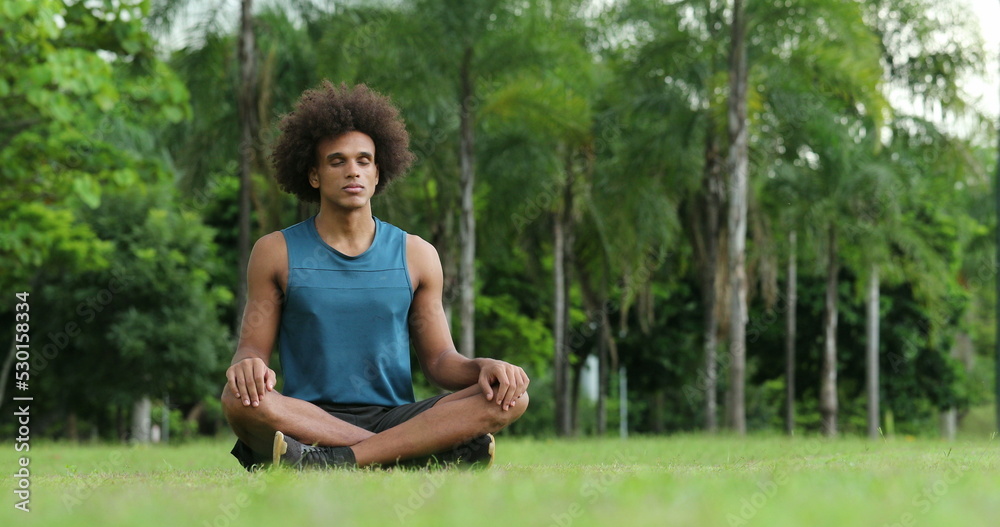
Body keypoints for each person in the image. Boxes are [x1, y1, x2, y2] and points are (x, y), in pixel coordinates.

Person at [221, 82, 529, 470]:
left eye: (364, 161)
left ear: (378, 172)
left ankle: (330, 461)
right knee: (237, 398)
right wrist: (247, 365)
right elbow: (251, 349)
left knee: (511, 396)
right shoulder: (275, 251)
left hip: (394, 415)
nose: (353, 171)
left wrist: (483, 367)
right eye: (337, 161)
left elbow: (440, 361)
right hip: (305, 417)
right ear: (314, 175)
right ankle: (413, 452)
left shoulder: (416, 254)